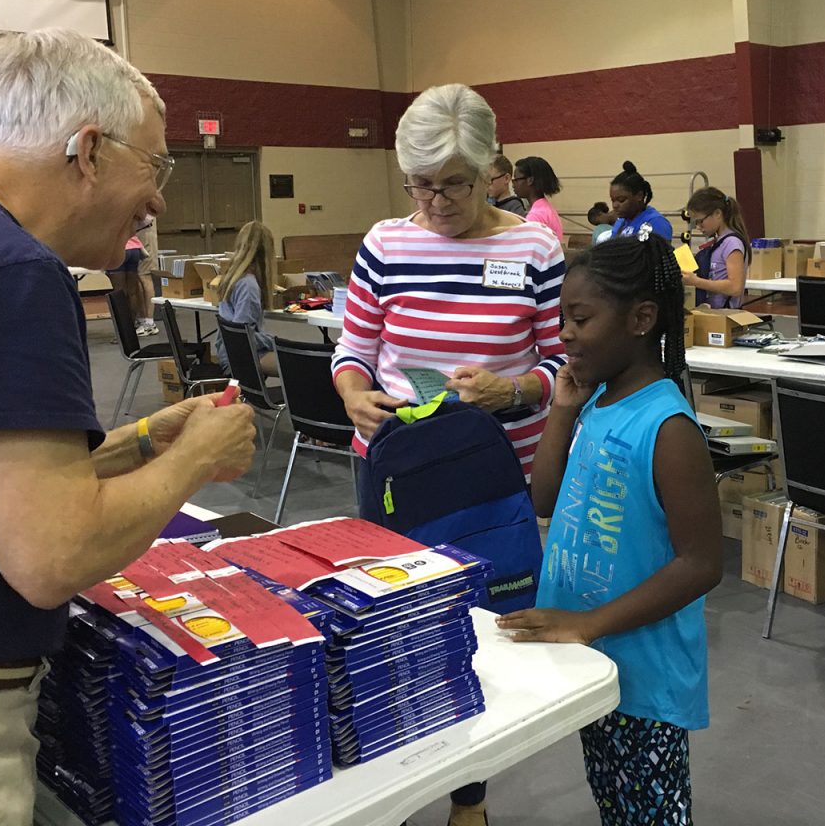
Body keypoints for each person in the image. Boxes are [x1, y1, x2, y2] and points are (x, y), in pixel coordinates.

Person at [0, 28, 256, 826]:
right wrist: (195, 461)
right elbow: (52, 555)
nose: (160, 201)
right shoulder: (11, 273)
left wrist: (142, 444)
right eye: (156, 165)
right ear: (89, 149)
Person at [333, 83, 565, 826]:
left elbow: (567, 366)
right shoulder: (385, 243)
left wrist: (516, 387)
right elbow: (353, 350)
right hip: (398, 472)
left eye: (453, 186)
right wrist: (351, 393)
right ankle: (396, 778)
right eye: (420, 186)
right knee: (396, 628)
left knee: (486, 635)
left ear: (491, 169)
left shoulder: (533, 245)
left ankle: (472, 797)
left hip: (494, 481)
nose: (434, 202)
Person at [498, 233, 723, 826]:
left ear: (641, 319)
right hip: (590, 658)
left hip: (640, 670)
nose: (564, 335)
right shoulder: (596, 402)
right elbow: (543, 498)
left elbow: (702, 563)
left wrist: (589, 622)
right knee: (614, 801)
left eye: (580, 319)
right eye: (561, 320)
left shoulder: (667, 426)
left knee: (649, 814)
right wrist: (563, 408)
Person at [215, 220, 280, 378]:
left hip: (230, 352)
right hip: (240, 357)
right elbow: (242, 337)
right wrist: (275, 342)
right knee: (301, 365)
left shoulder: (233, 278)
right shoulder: (248, 286)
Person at [681, 186, 750, 308]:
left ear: (718, 213)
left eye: (700, 221)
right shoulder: (718, 242)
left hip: (725, 316)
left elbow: (735, 287)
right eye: (695, 223)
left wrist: (696, 282)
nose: (698, 227)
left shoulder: (732, 243)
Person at [609, 160, 673, 241]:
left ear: (639, 196)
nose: (615, 205)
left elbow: (657, 252)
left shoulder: (656, 222)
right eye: (612, 200)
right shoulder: (621, 221)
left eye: (621, 200)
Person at [107, 233, 155, 335]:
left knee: (119, 294)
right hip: (134, 249)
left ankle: (123, 332)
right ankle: (131, 328)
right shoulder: (126, 215)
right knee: (132, 292)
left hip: (117, 249)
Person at [513, 155, 564, 244]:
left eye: (516, 179)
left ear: (530, 180)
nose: (513, 184)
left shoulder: (536, 216)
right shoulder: (545, 207)